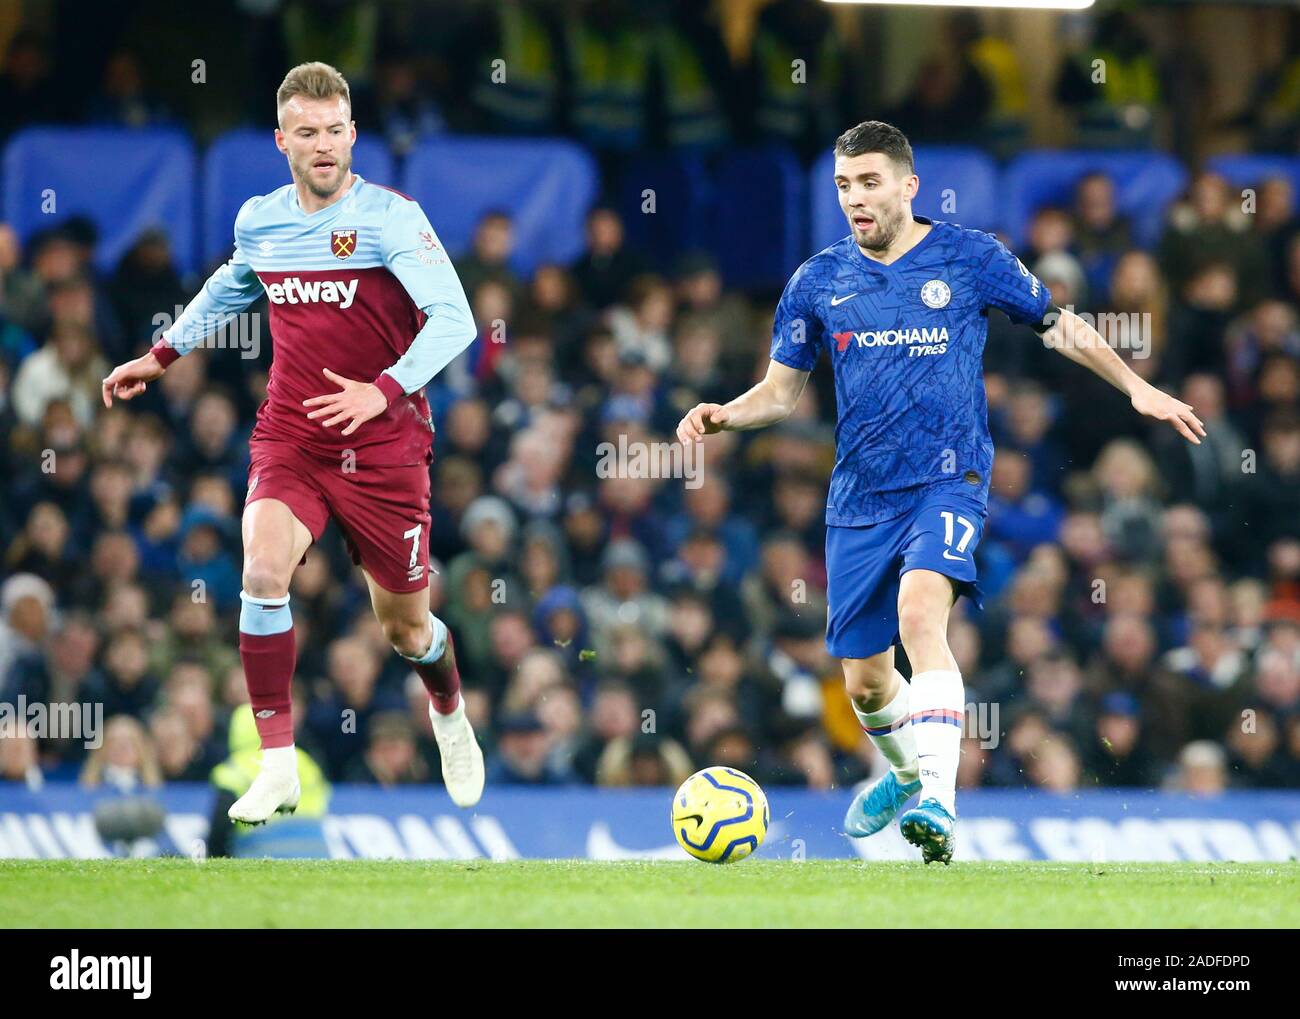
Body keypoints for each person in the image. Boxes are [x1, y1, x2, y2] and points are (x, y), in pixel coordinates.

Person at [675, 120, 1205, 864]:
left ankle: (939, 804)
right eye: (843, 186)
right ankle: (902, 775)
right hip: (860, 494)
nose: (855, 199)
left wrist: (1138, 388)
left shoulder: (969, 256)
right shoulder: (816, 281)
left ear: (907, 185)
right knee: (864, 682)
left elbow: (1058, 323)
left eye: (869, 182)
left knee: (921, 612)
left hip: (948, 478)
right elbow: (781, 393)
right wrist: (727, 413)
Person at [99, 62, 483, 824]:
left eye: (336, 130)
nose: (324, 145)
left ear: (353, 134)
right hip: (293, 435)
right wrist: (162, 353)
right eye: (307, 132)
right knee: (263, 571)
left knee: (406, 628)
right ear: (282, 140)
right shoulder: (262, 220)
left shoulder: (391, 218)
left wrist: (383, 388)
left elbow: (455, 319)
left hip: (384, 447)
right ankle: (277, 764)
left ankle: (447, 708)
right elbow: (233, 284)